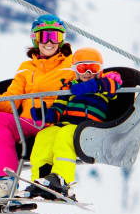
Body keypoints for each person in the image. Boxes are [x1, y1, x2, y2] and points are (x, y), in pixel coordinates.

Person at [0, 14, 75, 197]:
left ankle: (8, 181)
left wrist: (109, 79)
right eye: (44, 36)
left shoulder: (70, 64)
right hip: (28, 121)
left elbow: (88, 73)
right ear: (35, 39)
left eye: (54, 36)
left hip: (51, 120)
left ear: (61, 39)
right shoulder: (26, 67)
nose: (49, 42)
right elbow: (11, 101)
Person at [25, 47, 122, 200]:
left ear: (100, 70)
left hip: (91, 128)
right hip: (67, 124)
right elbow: (58, 109)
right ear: (75, 70)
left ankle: (62, 179)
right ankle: (41, 179)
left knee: (66, 135)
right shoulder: (69, 88)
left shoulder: (104, 84)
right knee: (44, 135)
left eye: (93, 68)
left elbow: (114, 85)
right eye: (82, 68)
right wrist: (45, 115)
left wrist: (91, 86)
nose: (88, 73)